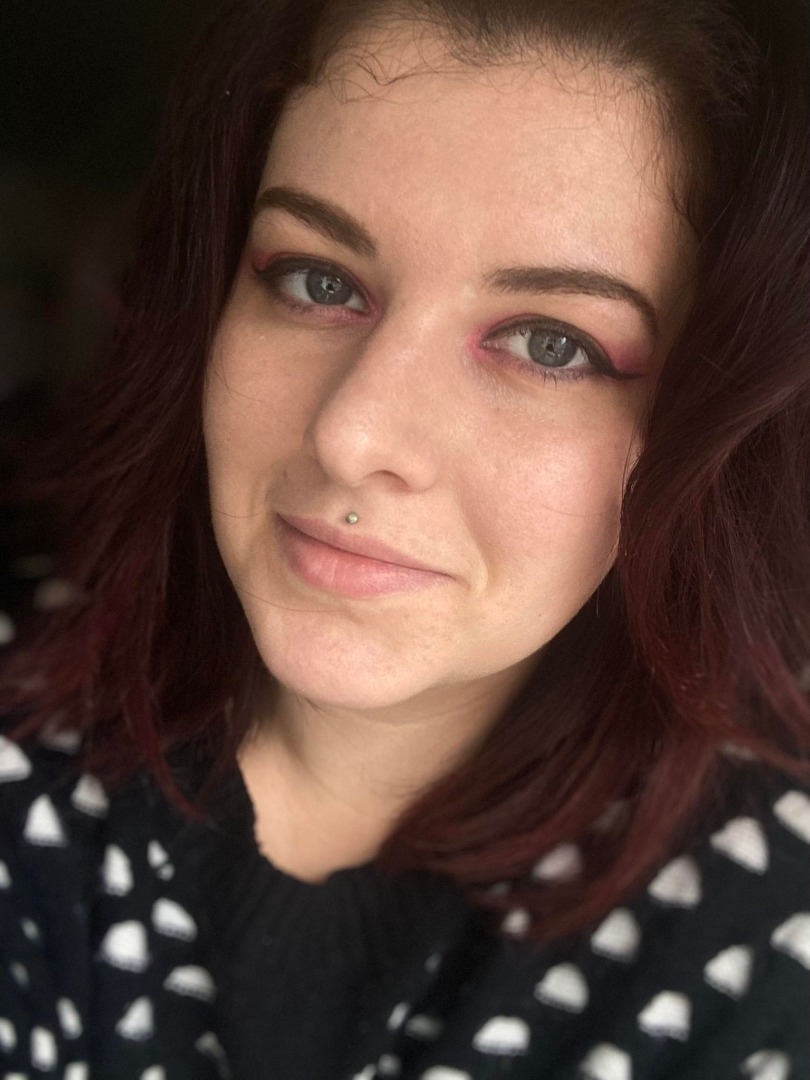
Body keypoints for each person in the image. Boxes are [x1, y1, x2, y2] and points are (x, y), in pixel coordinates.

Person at [1, 0, 809, 1076]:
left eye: (550, 344)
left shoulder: (769, 943)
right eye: (318, 280)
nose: (352, 434)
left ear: (711, 430)